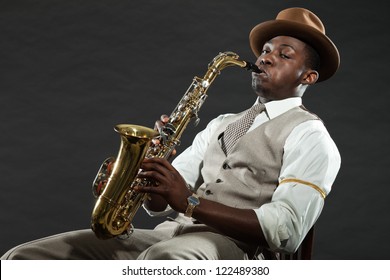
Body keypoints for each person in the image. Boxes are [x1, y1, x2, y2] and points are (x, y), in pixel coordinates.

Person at [1, 7, 341, 260]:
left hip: (239, 252)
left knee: (161, 262)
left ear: (307, 77)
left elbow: (286, 231)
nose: (266, 59)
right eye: (265, 50)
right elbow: (162, 202)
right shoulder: (220, 123)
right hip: (169, 235)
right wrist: (151, 171)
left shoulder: (310, 136)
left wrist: (190, 202)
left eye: (283, 55)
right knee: (25, 258)